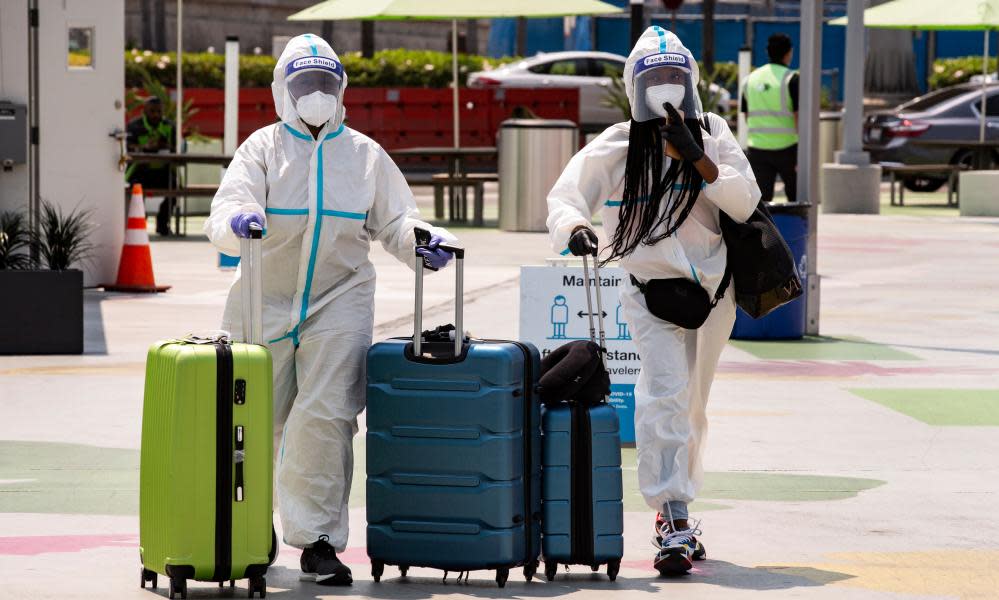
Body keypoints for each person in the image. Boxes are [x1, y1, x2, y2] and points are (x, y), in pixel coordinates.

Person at [205, 34, 456, 586]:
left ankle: (317, 540)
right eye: (304, 83)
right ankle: (249, 526)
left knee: (327, 417)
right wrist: (239, 223)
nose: (315, 94)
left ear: (341, 89)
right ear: (282, 90)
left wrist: (423, 240)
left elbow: (395, 220)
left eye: (324, 83)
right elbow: (229, 205)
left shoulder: (364, 155)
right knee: (254, 420)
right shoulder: (263, 148)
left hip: (340, 299)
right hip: (263, 300)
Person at [546, 26, 759, 575]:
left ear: (689, 81)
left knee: (694, 407)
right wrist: (573, 227)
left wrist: (699, 159)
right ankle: (672, 512)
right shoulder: (618, 143)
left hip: (715, 293)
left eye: (674, 76)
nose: (665, 86)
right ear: (635, 85)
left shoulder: (712, 133)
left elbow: (745, 200)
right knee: (662, 395)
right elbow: (568, 194)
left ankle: (681, 507)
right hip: (649, 294)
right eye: (654, 77)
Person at [741, 32, 799, 203]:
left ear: (768, 52)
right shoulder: (791, 78)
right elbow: (798, 116)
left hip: (757, 149)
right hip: (788, 148)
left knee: (762, 202)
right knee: (795, 198)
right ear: (789, 52)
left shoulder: (749, 79)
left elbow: (746, 115)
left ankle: (765, 231)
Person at [126, 96, 176, 235]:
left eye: (159, 111)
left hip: (163, 171)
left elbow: (177, 147)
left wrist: (167, 146)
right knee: (136, 189)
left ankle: (162, 223)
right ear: (145, 111)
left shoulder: (169, 125)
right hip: (140, 170)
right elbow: (128, 147)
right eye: (152, 111)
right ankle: (140, 222)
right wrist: (145, 147)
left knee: (176, 188)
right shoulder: (134, 126)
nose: (156, 115)